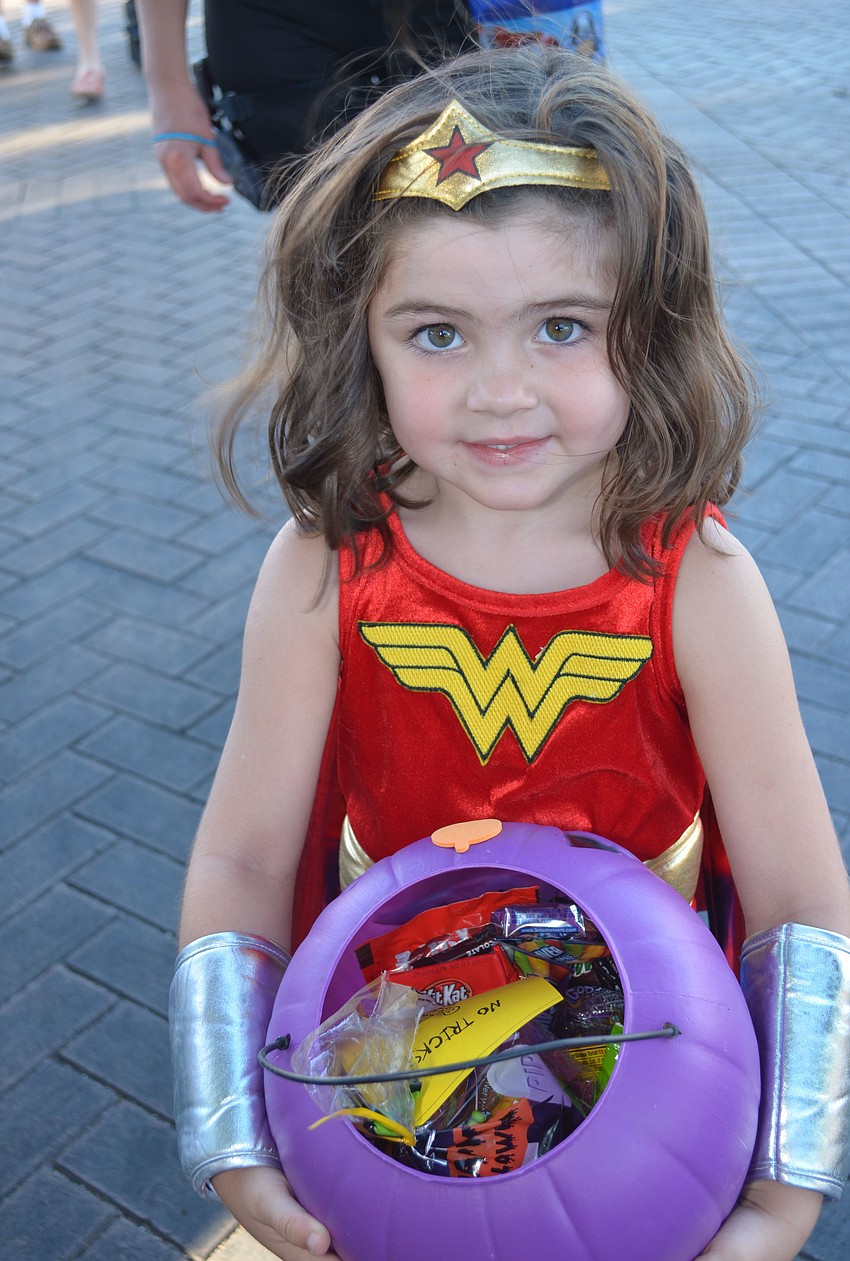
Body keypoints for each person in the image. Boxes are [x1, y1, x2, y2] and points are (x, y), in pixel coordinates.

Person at [168, 44, 850, 1261]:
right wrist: (226, 1126)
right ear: (360, 338)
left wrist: (784, 1191)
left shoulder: (696, 578)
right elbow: (243, 853)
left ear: (651, 330)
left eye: (561, 327)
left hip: (646, 1079)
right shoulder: (326, 564)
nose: (499, 391)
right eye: (436, 333)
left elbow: (799, 900)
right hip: (387, 1074)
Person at [136, 0, 474, 212]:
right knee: (331, 231)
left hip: (430, 13)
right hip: (274, 21)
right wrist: (168, 88)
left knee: (464, 206)